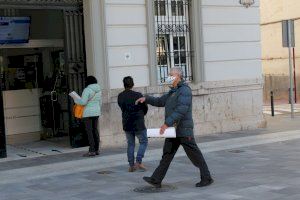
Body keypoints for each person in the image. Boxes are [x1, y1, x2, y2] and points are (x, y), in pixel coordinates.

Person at [136, 67, 213, 188]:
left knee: (195, 155)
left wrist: (167, 123)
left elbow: (181, 110)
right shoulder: (173, 91)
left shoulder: (185, 90)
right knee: (166, 155)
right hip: (173, 131)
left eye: (172, 75)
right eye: (169, 75)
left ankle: (207, 177)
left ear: (179, 77)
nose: (169, 77)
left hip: (183, 130)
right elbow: (160, 101)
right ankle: (156, 179)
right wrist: (147, 99)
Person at [118, 76, 148, 172]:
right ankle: (138, 161)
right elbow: (144, 107)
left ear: (124, 84)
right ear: (133, 84)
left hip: (127, 122)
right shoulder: (138, 94)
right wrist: (142, 114)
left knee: (130, 144)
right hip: (138, 122)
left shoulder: (120, 96)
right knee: (143, 141)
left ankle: (131, 165)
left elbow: (121, 107)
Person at [74, 76, 101, 157]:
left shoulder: (87, 90)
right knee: (95, 130)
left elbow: (83, 102)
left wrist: (76, 99)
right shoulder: (99, 90)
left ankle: (92, 150)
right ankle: (97, 149)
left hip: (88, 113)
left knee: (89, 131)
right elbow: (100, 102)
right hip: (96, 112)